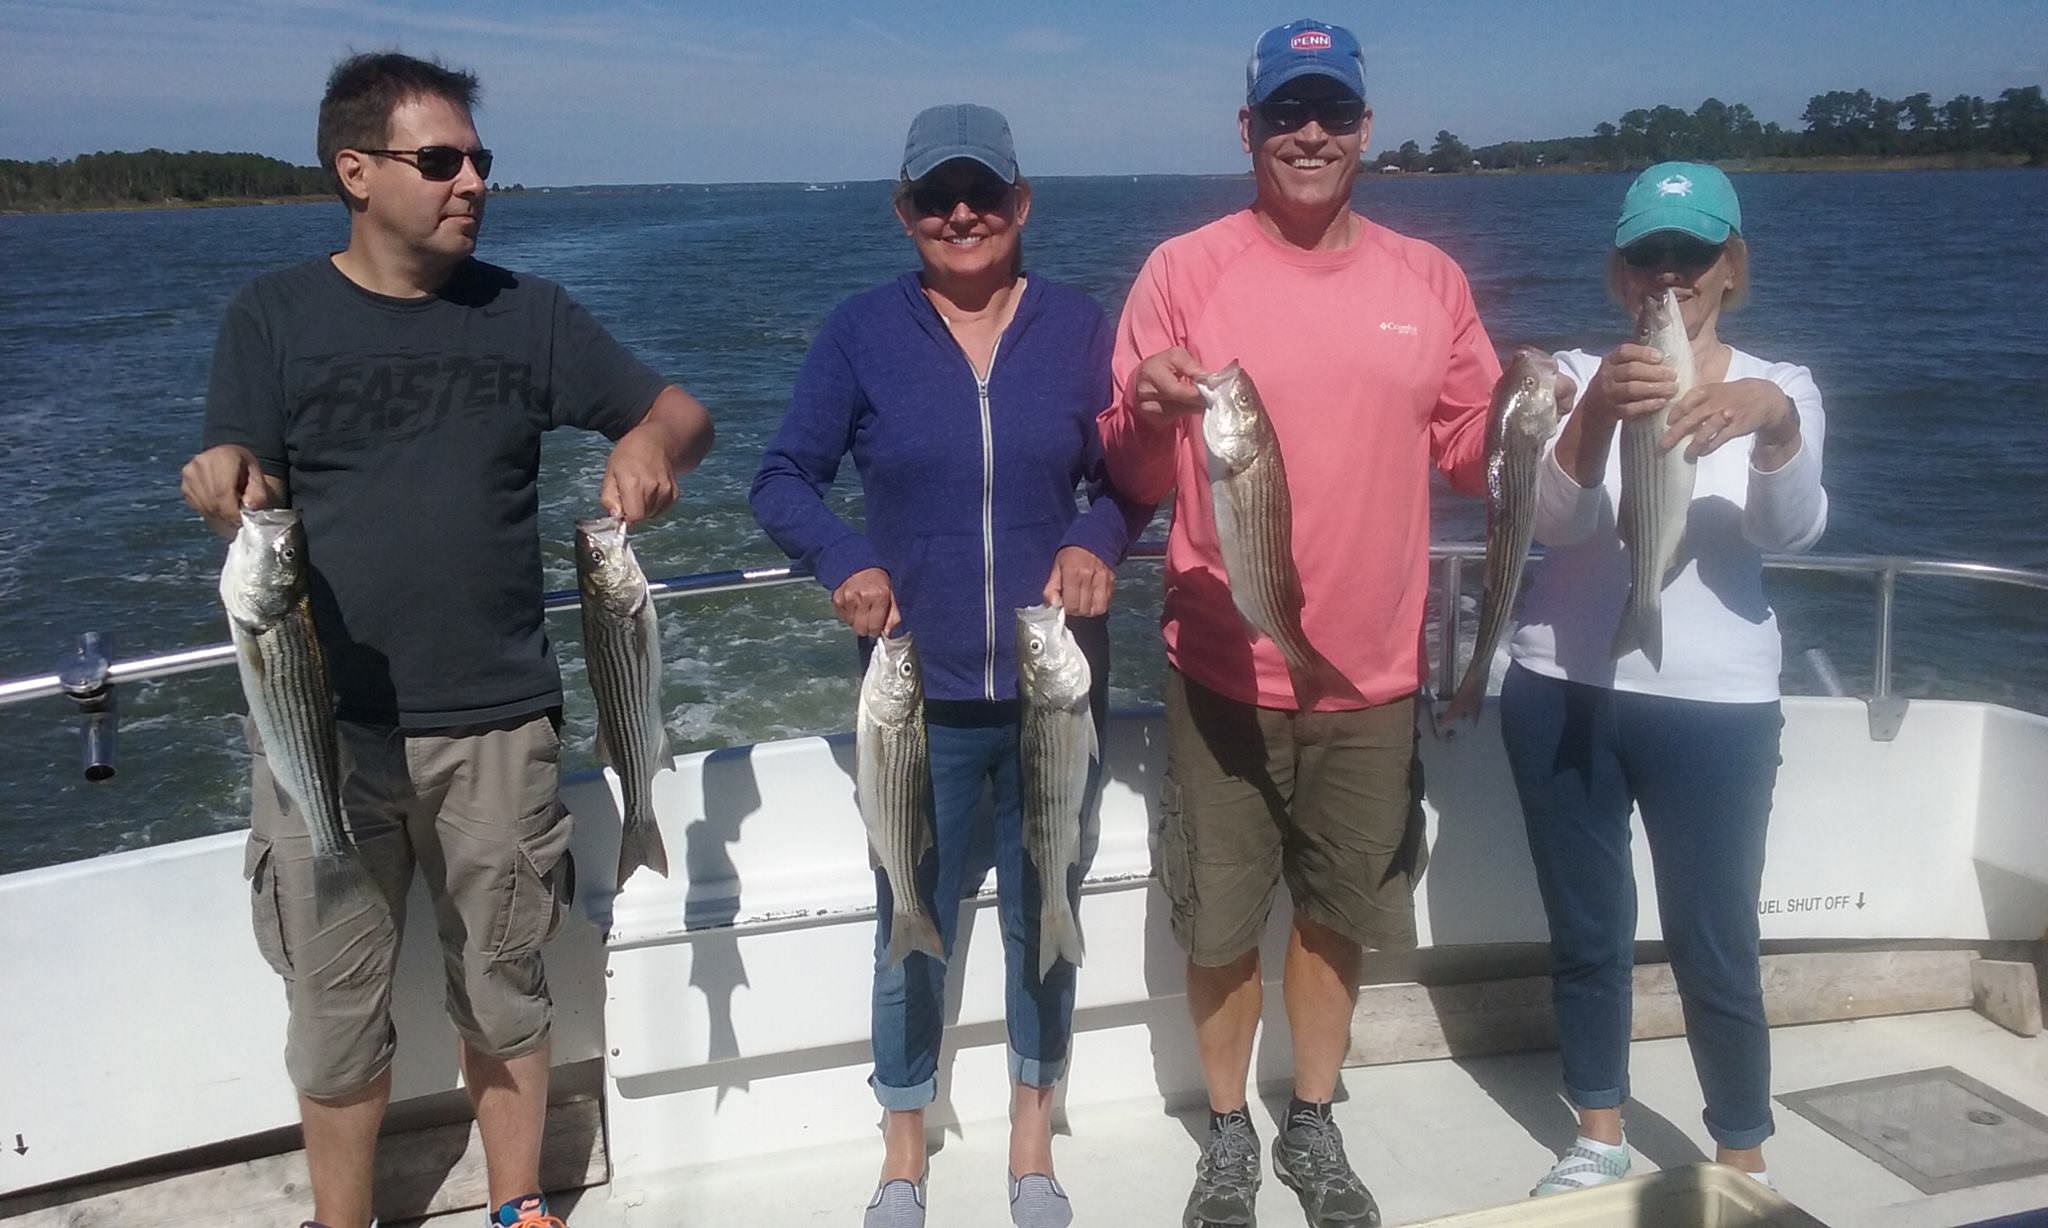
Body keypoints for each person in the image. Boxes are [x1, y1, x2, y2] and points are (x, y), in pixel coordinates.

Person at [179, 52, 714, 1228]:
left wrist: (647, 447)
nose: (472, 181)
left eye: (479, 160)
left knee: (506, 990)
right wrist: (224, 477)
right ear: (355, 171)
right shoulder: (272, 315)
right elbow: (244, 473)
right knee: (334, 1013)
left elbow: (681, 413)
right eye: (440, 161)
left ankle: (518, 1207)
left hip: (498, 723)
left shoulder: (527, 313)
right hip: (325, 731)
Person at [1097, 20, 1501, 1228]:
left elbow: (1471, 450)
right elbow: (1126, 468)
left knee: (1334, 914)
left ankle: (1311, 1121)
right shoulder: (1181, 272)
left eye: (1329, 112)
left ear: (1364, 129)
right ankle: (1228, 1131)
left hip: (1370, 678)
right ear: (1247, 130)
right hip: (1220, 669)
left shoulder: (1429, 280)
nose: (1308, 133)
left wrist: (1553, 417)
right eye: (1285, 113)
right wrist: (1145, 407)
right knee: (1219, 922)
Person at [750, 103, 1149, 1228]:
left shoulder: (1080, 327)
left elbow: (1132, 479)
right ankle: (903, 1146)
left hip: (1052, 694)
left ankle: (1032, 1134)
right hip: (913, 704)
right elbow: (781, 476)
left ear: (1021, 203)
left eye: (982, 194)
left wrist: (1097, 537)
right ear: (904, 212)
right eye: (936, 197)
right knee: (908, 921)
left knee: (1044, 912)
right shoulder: (860, 332)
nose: (960, 214)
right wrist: (842, 558)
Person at [1499, 162, 1827, 1196]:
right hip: (1564, 687)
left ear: (1732, 267)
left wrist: (1773, 425)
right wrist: (1593, 411)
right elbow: (1556, 522)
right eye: (1648, 257)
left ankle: (1740, 1147)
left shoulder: (1781, 382)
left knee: (1715, 934)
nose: (1669, 277)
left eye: (1692, 256)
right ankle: (1597, 1129)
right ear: (1619, 273)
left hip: (1717, 709)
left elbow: (1791, 530)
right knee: (1587, 927)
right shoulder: (1575, 373)